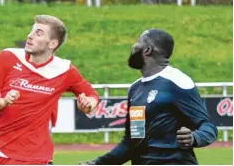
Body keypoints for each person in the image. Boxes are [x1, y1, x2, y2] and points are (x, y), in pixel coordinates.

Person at [82, 29, 217, 165]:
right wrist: (98, 163)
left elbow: (208, 127)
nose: (133, 46)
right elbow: (131, 142)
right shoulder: (135, 89)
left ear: (147, 50)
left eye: (137, 41)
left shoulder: (178, 81)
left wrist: (194, 137)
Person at [0, 15, 100, 165]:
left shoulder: (64, 70)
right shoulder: (8, 57)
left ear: (52, 44)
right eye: (32, 31)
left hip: (38, 157)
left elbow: (92, 95)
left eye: (39, 33)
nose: (30, 36)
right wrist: (3, 102)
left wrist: (88, 105)